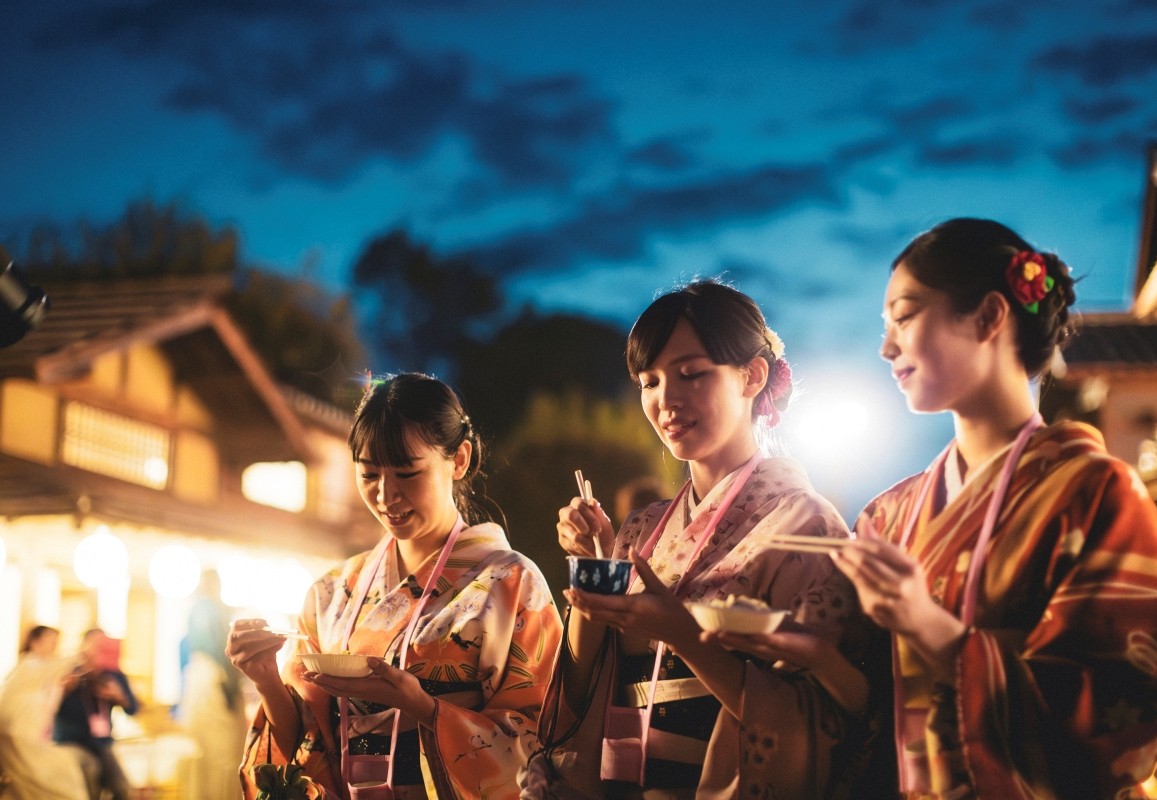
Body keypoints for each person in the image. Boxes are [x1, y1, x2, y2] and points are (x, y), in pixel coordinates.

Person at [826, 218, 1157, 798]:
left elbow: (1128, 704)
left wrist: (934, 631)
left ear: (989, 317)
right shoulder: (888, 516)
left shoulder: (1096, 493)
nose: (886, 347)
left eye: (904, 316)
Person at [528, 279, 876, 799]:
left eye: (691, 374)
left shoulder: (804, 527)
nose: (666, 400)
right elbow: (582, 694)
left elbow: (822, 715)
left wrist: (683, 633)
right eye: (649, 382)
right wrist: (593, 568)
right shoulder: (640, 531)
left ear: (752, 376)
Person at [228, 372, 563, 799]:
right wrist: (265, 681)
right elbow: (306, 740)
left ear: (458, 460)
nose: (386, 495)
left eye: (407, 473)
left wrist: (422, 706)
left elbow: (540, 738)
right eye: (369, 475)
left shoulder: (509, 581)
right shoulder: (330, 593)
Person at [0, 626, 88, 800]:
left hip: (31, 737)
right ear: (34, 642)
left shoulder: (42, 674)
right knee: (55, 780)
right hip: (19, 737)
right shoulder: (29, 664)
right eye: (50, 641)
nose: (54, 646)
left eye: (56, 642)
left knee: (26, 787)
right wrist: (81, 654)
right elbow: (49, 668)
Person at [178, 570, 244, 800]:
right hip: (213, 684)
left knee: (205, 753)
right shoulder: (209, 611)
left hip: (199, 684)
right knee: (221, 754)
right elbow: (222, 653)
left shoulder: (197, 612)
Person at [53, 629, 139, 800]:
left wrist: (118, 696)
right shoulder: (68, 672)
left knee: (122, 788)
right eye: (95, 644)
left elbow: (133, 709)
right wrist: (64, 689)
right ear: (83, 646)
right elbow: (49, 709)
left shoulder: (113, 674)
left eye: (103, 644)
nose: (98, 649)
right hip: (70, 743)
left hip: (101, 744)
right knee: (90, 777)